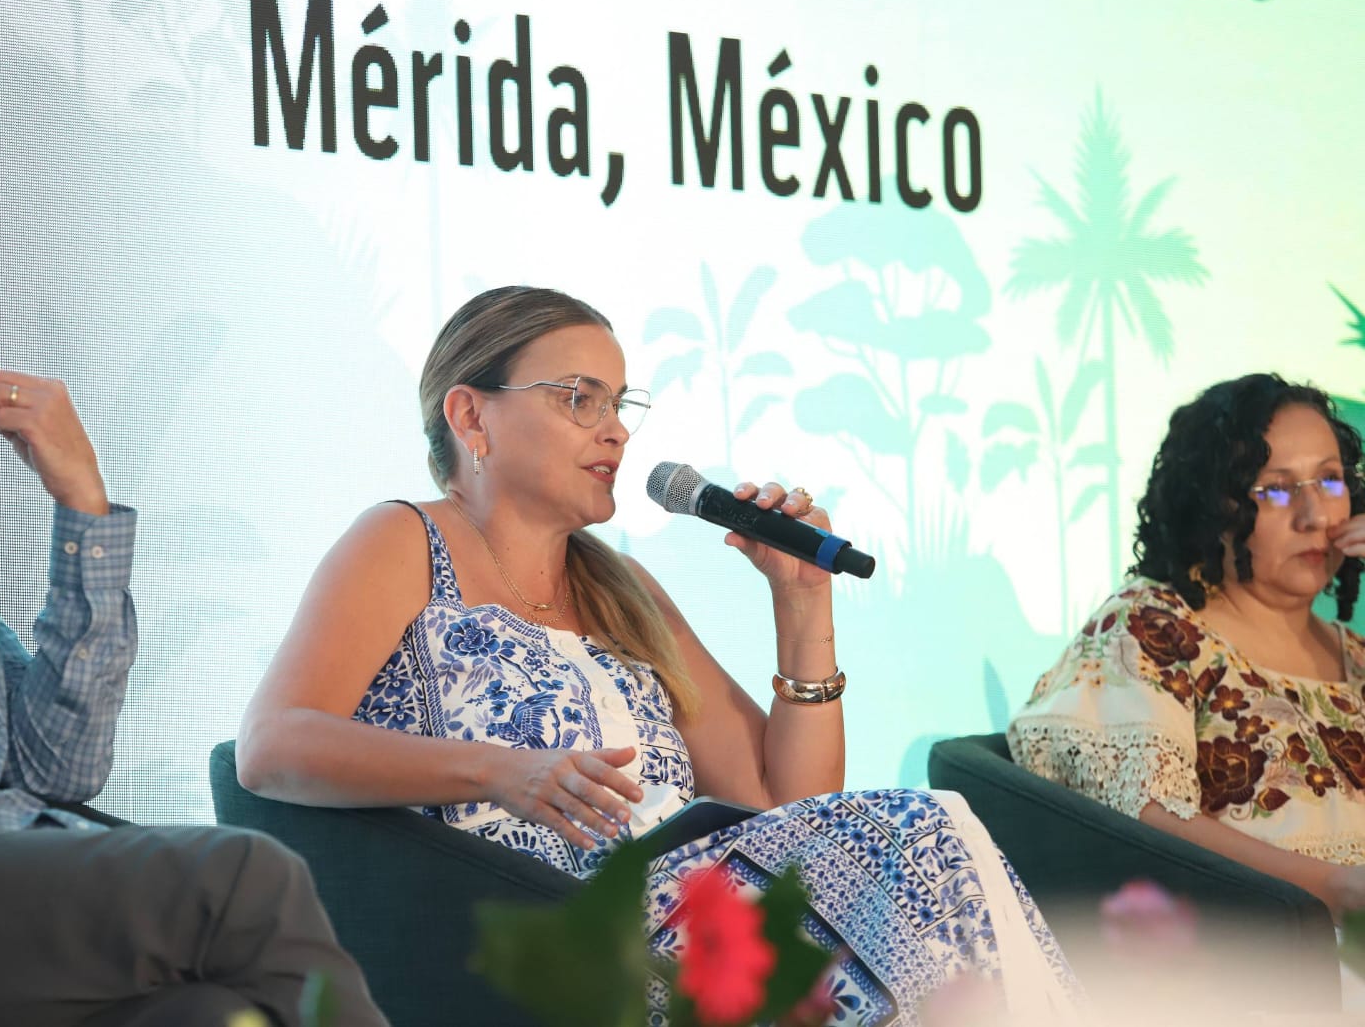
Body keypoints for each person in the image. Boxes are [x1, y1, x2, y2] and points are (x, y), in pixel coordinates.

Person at [238, 286, 1079, 1025]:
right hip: (536, 932)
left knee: (924, 845)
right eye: (579, 399)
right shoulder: (406, 539)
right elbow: (270, 747)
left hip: (695, 923)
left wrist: (800, 600)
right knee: (926, 828)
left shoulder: (624, 587)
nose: (615, 433)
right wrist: (501, 771)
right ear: (471, 416)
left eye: (619, 405)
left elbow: (789, 807)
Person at [0, 167, 387, 1027]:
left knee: (204, 1016)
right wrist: (74, 843)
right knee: (249, 876)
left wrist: (83, 509)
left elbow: (59, 766)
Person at [1009, 373, 1365, 920]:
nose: (1315, 516)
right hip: (1261, 971)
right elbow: (1145, 817)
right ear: (1211, 505)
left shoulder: (1358, 656)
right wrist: (1334, 889)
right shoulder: (1152, 628)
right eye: (1274, 488)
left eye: (1330, 481)